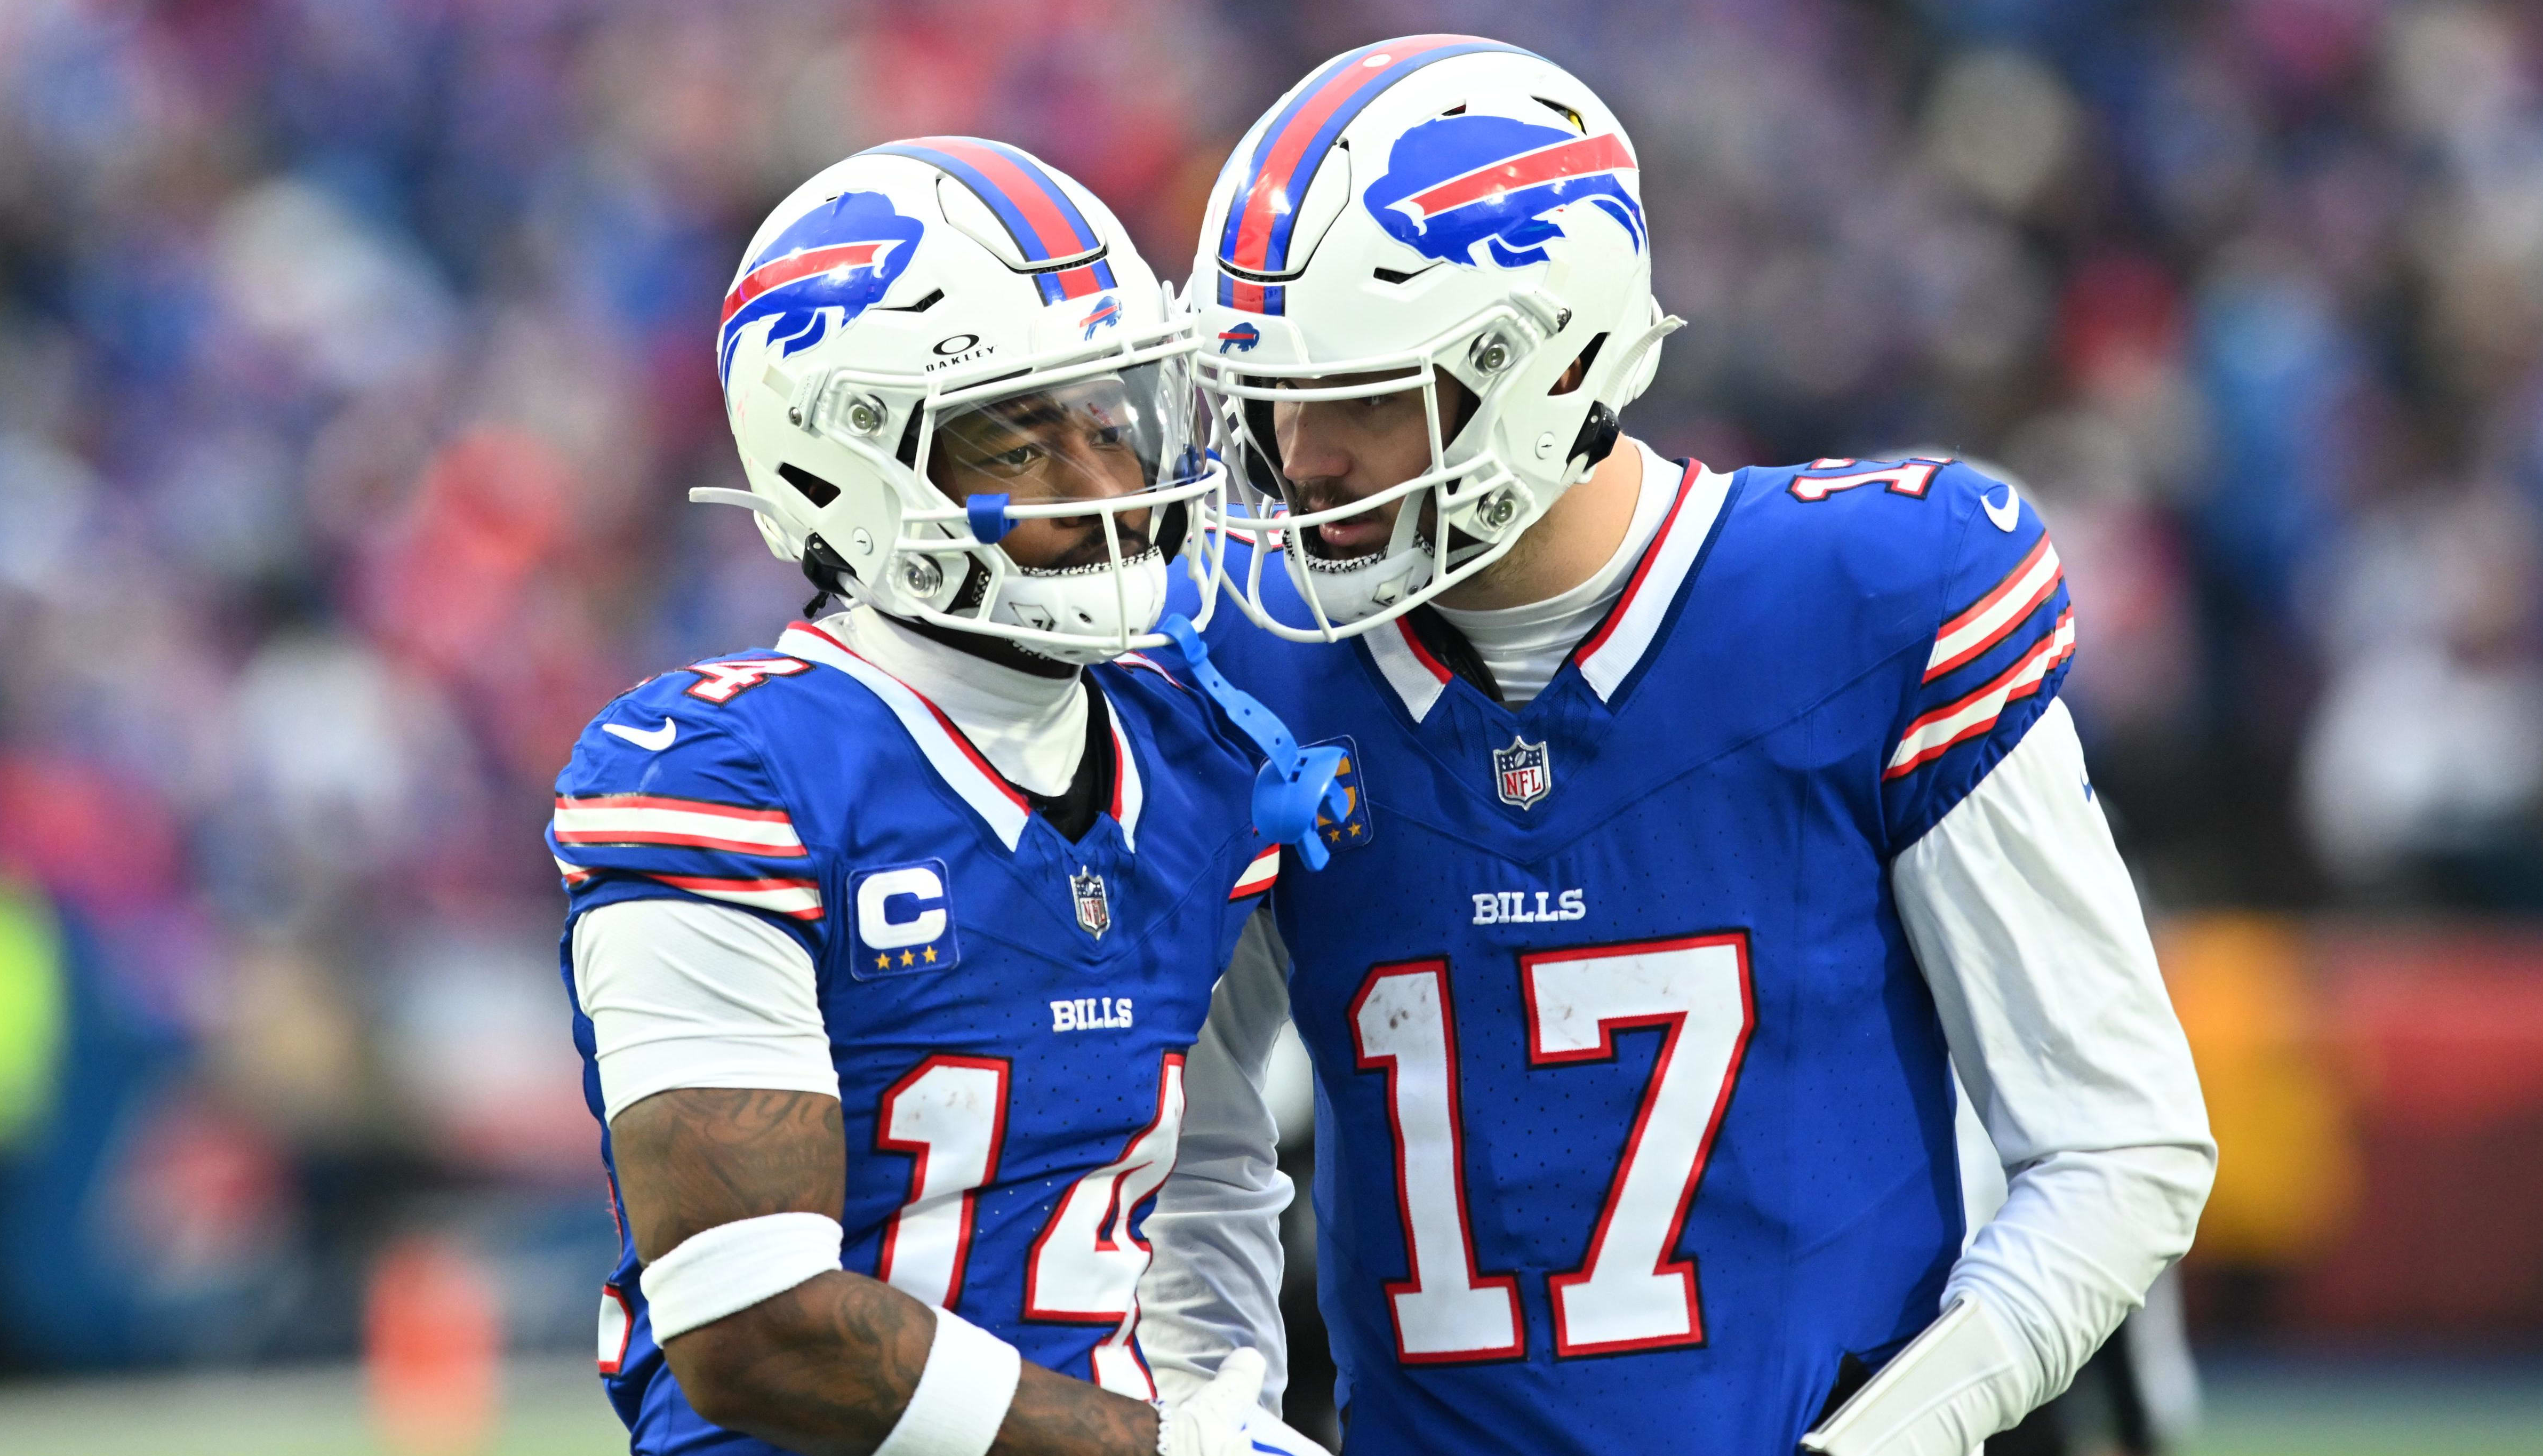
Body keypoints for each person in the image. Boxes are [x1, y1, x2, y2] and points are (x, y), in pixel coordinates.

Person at [1141, 36, 2217, 1455]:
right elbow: (1177, 1164)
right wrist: (1230, 1430)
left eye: (1355, 393)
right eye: (1270, 394)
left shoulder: (1866, 597)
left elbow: (2117, 1143)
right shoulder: (1244, 664)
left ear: (1545, 362)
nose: (1299, 456)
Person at [549, 138, 1323, 1456]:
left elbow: (1205, 1174)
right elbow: (753, 1323)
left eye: (1115, 420)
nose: (1107, 493)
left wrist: (1224, 1414)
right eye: (1020, 448)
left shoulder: (1192, 749)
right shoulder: (727, 776)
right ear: (842, 470)